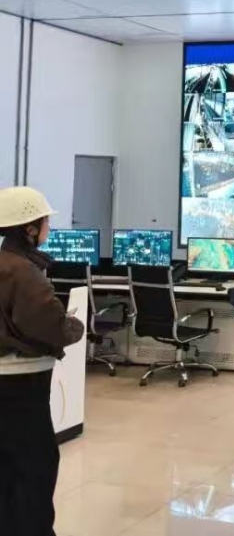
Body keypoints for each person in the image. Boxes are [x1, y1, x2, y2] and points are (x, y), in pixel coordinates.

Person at [0, 186, 85, 536]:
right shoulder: (24, 272)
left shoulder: (8, 263)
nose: (49, 227)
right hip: (23, 386)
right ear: (29, 227)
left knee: (7, 473)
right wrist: (75, 325)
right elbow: (51, 326)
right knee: (34, 469)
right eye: (45, 221)